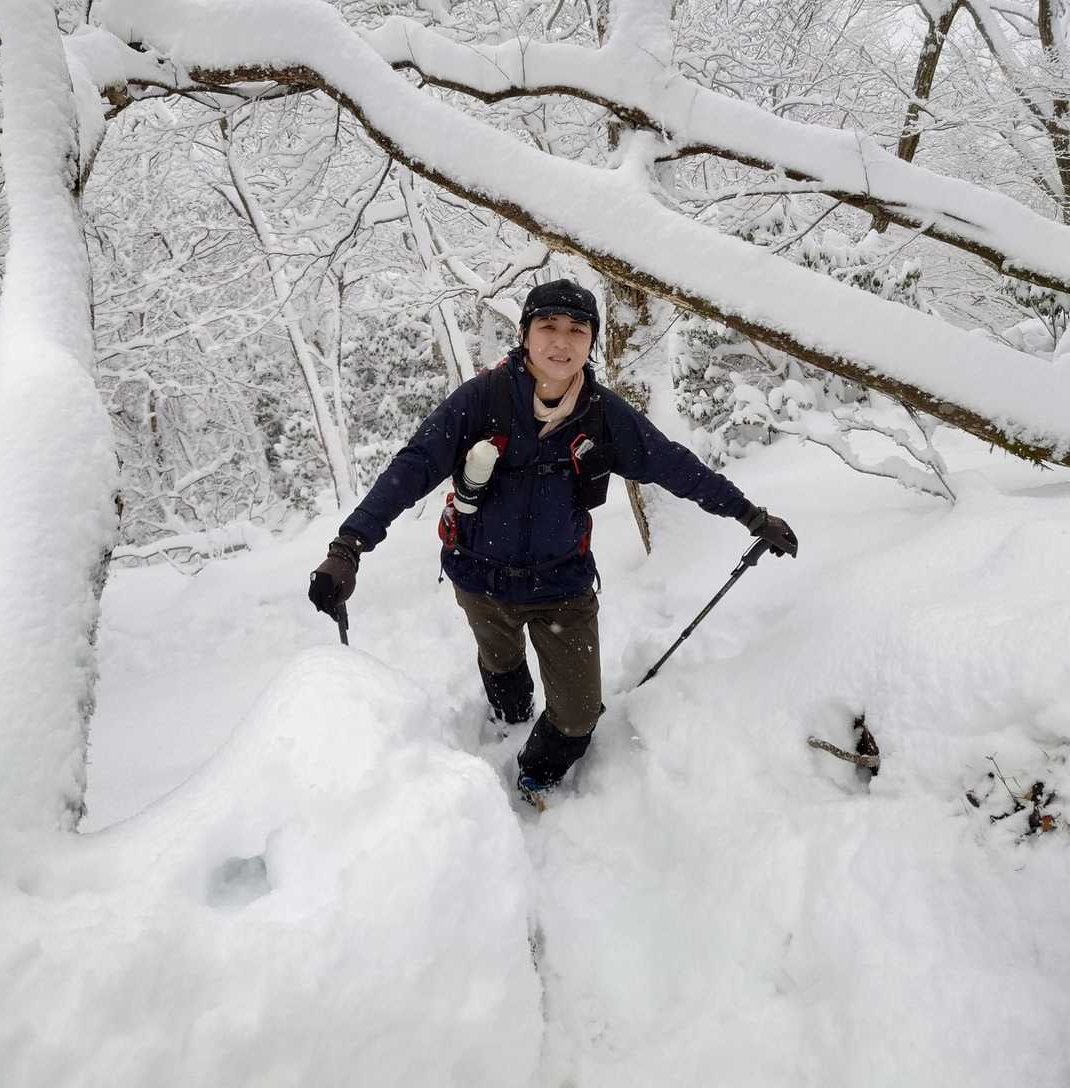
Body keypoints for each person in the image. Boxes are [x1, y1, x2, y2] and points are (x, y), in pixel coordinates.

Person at [309, 280, 797, 803]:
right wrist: (348, 546)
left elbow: (673, 465)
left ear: (591, 342)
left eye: (577, 330)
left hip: (562, 584)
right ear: (525, 334)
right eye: (548, 326)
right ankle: (510, 714)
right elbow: (412, 468)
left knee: (579, 714)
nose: (561, 342)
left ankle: (537, 771)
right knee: (502, 665)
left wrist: (749, 514)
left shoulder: (601, 414)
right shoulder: (482, 400)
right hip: (479, 577)